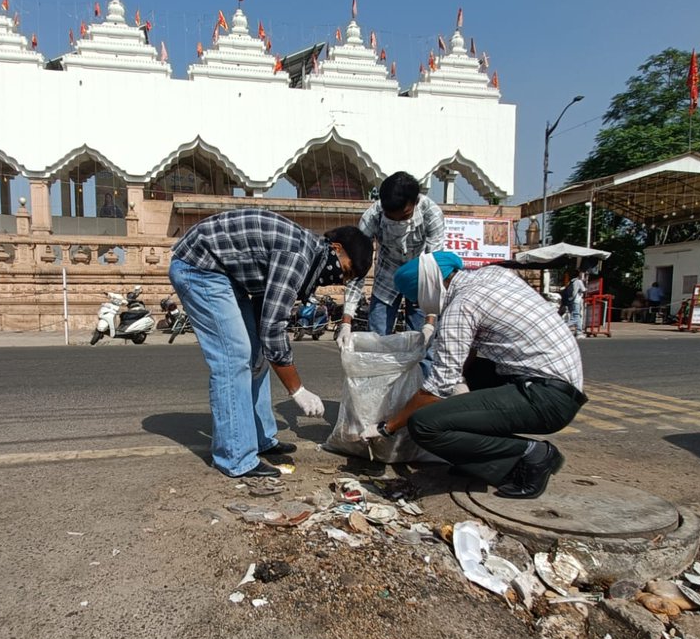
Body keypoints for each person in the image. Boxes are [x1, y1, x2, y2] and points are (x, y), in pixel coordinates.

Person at [362, 252, 585, 500]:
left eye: (415, 298)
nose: (417, 305)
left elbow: (436, 388)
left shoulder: (461, 307)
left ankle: (532, 455)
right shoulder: (491, 275)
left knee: (424, 424)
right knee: (469, 380)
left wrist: (388, 427)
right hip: (558, 386)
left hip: (547, 398)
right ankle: (475, 459)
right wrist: (460, 382)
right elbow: (468, 353)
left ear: (427, 289)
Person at [169, 209, 372, 479]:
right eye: (344, 271)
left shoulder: (308, 255)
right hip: (199, 267)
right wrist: (297, 390)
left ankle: (260, 438)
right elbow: (273, 327)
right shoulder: (298, 255)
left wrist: (269, 348)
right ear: (335, 248)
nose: (339, 280)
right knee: (235, 357)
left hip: (229, 276)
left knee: (257, 354)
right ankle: (235, 456)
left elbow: (268, 316)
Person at [337, 171, 445, 350]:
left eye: (404, 216)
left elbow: (433, 268)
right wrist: (346, 321)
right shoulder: (372, 216)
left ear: (415, 202)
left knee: (424, 347)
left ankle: (424, 377)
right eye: (391, 216)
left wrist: (430, 321)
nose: (397, 222)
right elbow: (358, 267)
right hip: (386, 277)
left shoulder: (431, 214)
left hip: (420, 278)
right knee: (375, 341)